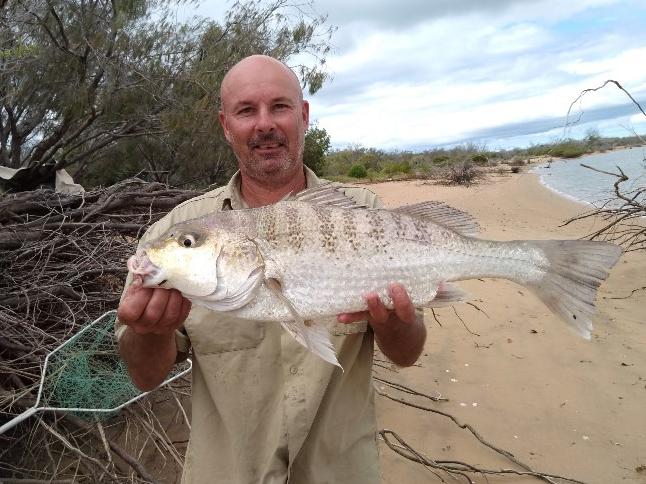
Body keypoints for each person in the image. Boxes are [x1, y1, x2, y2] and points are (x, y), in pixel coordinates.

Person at [116, 55, 427, 484]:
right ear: (226, 125)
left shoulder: (365, 215)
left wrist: (395, 323)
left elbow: (407, 353)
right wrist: (149, 332)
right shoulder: (174, 233)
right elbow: (145, 377)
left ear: (303, 116)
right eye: (246, 111)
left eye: (279, 106)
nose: (264, 124)